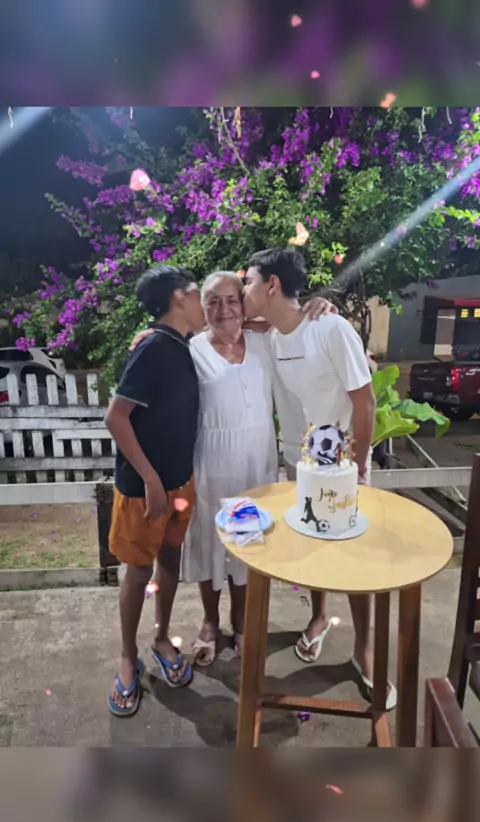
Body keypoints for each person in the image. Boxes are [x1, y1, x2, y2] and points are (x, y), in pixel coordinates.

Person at [129, 271, 333, 666]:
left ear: (243, 305)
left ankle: (241, 619)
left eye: (232, 300)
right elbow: (160, 351)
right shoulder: (190, 350)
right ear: (202, 309)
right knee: (211, 543)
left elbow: (293, 322)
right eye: (213, 301)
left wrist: (319, 304)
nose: (224, 309)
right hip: (211, 460)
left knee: (248, 545)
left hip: (254, 463)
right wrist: (148, 336)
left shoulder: (263, 342)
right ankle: (210, 622)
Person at [243, 248, 397, 709]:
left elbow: (365, 402)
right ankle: (318, 618)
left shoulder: (331, 329)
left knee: (355, 558)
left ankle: (363, 649)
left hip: (345, 467)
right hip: (303, 464)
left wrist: (358, 466)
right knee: (311, 546)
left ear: (272, 285)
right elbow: (222, 322)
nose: (243, 289)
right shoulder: (273, 336)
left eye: (248, 281)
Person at [106, 264, 205, 716]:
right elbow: (116, 417)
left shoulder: (181, 345)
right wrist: (150, 480)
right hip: (144, 491)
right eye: (199, 294)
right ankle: (128, 658)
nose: (205, 303)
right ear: (180, 297)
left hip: (180, 483)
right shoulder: (153, 349)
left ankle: (161, 637)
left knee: (170, 560)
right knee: (138, 571)